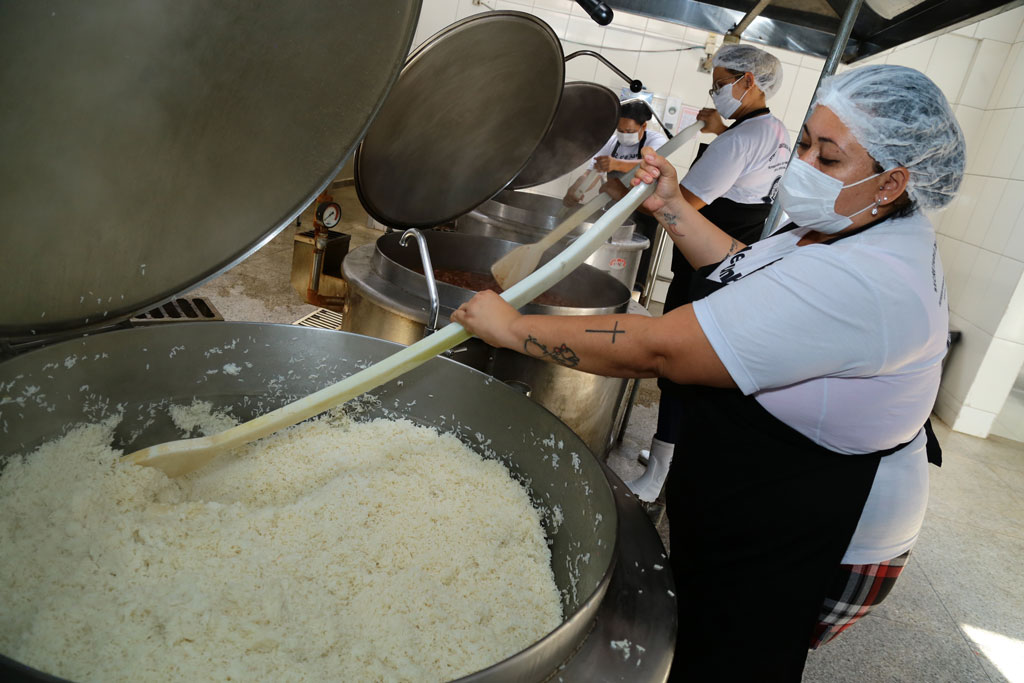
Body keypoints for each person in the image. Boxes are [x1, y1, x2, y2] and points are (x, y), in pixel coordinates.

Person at [454, 64, 964, 680]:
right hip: (771, 488)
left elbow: (659, 349)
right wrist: (671, 205)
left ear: (893, 182)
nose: (802, 165)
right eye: (804, 143)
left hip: (821, 522)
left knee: (736, 656)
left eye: (827, 159)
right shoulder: (851, 224)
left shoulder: (871, 281)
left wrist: (511, 329)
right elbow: (742, 266)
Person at [604, 44, 791, 503]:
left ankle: (658, 478)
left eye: (722, 81)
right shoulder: (772, 130)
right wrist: (717, 126)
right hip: (733, 264)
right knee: (699, 366)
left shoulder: (740, 140)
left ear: (749, 82)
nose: (716, 89)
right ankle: (669, 459)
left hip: (706, 268)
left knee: (679, 366)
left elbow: (681, 205)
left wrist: (620, 178)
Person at [563, 100, 668, 293]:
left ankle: (634, 295)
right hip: (614, 210)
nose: (623, 135)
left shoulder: (656, 141)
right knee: (607, 262)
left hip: (643, 213)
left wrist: (616, 164)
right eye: (620, 130)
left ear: (643, 126)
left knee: (635, 271)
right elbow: (591, 173)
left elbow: (652, 166)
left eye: (629, 131)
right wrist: (576, 190)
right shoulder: (612, 143)